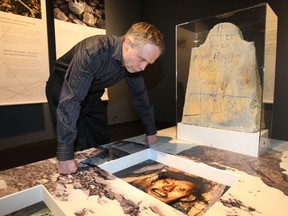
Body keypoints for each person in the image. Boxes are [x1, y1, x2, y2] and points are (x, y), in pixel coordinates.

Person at [45, 22, 165, 175]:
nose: (143, 68)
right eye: (142, 59)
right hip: (63, 88)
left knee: (101, 135)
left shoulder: (132, 64)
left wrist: (151, 132)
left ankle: (100, 175)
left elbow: (140, 96)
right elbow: (72, 100)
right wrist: (65, 156)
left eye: (148, 63)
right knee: (78, 142)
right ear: (128, 44)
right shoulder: (94, 51)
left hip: (93, 91)